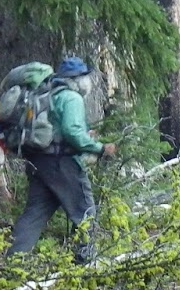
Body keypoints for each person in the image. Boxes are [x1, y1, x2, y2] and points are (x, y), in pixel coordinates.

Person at [7, 56, 116, 264]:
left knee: (35, 213)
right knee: (85, 211)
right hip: (62, 164)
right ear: (76, 79)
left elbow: (60, 129)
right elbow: (72, 132)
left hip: (39, 162)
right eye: (85, 76)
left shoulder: (48, 95)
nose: (88, 81)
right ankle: (84, 261)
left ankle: (13, 261)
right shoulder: (71, 97)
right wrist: (101, 148)